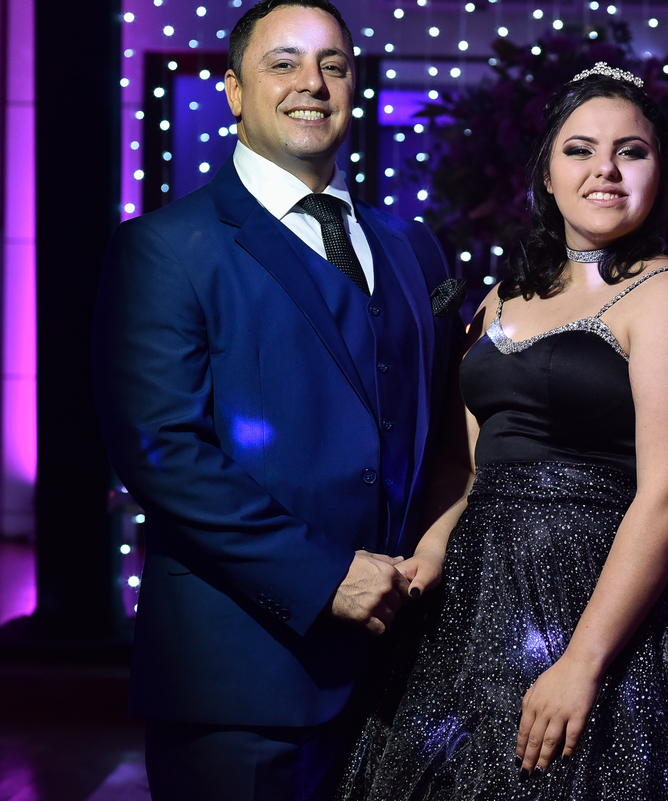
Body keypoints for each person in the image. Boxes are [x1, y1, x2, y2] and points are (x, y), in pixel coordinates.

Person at [338, 64, 668, 800]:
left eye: (631, 151)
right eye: (580, 150)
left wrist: (583, 659)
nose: (605, 168)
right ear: (546, 173)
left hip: (607, 606)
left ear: (659, 173)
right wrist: (430, 553)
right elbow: (465, 465)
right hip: (479, 606)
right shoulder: (501, 296)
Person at [91, 1, 463, 798]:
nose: (312, 83)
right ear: (233, 90)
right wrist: (326, 575)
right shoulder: (165, 246)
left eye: (334, 65)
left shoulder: (413, 246)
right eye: (283, 63)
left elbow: (440, 430)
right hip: (242, 680)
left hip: (402, 676)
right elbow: (163, 452)